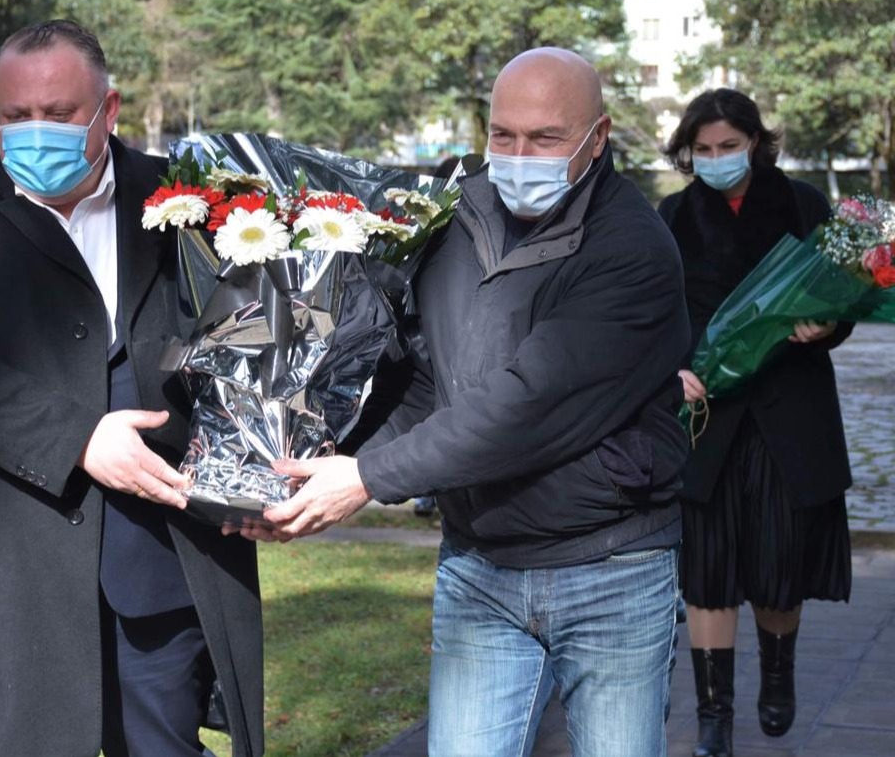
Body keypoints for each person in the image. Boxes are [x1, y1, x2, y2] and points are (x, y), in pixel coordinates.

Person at [241, 48, 693, 757]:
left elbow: (526, 408)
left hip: (610, 572)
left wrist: (367, 480)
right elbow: (431, 382)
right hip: (479, 567)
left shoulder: (632, 248)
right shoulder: (452, 216)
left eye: (545, 139)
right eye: (502, 135)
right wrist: (314, 467)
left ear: (598, 137)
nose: (519, 157)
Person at [0, 20, 263, 757]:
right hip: (8, 568)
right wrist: (80, 439)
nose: (36, 132)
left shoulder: (188, 198)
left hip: (157, 565)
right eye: (15, 115)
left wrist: (259, 467)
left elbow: (241, 343)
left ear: (108, 109)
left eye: (58, 114)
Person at [657, 89, 853, 757]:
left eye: (729, 147)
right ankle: (714, 715)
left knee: (779, 558)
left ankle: (777, 675)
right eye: (703, 149)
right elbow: (655, 310)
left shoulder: (804, 204)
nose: (716, 159)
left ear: (755, 143)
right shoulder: (673, 215)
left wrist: (829, 324)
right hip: (704, 416)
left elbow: (843, 296)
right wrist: (672, 368)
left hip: (789, 412)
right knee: (707, 568)